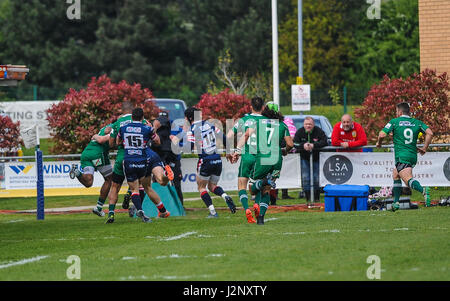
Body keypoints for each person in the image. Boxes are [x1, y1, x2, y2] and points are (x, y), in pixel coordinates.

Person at [106, 102, 171, 224]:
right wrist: (152, 130)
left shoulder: (122, 127)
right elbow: (157, 141)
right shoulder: (146, 127)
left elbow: (117, 142)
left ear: (132, 117)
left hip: (128, 159)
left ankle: (137, 209)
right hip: (143, 160)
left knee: (131, 188)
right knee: (146, 186)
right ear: (142, 117)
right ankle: (163, 180)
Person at [232, 102, 293, 225]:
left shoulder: (258, 123)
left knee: (252, 188)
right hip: (277, 159)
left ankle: (263, 182)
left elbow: (247, 135)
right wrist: (285, 151)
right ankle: (261, 219)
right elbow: (290, 144)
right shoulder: (282, 125)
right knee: (267, 190)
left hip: (263, 158)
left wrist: (237, 150)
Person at [376, 102, 433, 210]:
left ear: (400, 112)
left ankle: (423, 190)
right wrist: (424, 148)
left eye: (396, 111)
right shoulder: (417, 122)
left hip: (402, 156)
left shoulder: (394, 122)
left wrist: (379, 143)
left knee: (407, 180)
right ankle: (396, 202)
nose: (396, 113)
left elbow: (382, 134)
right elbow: (430, 133)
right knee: (395, 174)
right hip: (412, 156)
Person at [183, 107, 236, 218]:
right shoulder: (209, 125)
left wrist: (183, 136)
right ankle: (225, 196)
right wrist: (227, 152)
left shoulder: (191, 129)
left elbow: (189, 148)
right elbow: (224, 137)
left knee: (201, 187)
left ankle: (213, 212)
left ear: (189, 118)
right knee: (212, 186)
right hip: (217, 159)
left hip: (205, 160)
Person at [226, 96, 266, 223]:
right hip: (261, 158)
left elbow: (229, 135)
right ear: (263, 107)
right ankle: (257, 205)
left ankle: (246, 210)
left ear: (251, 107)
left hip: (248, 156)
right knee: (258, 185)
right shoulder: (267, 121)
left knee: (241, 185)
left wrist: (231, 152)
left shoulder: (245, 120)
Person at [69, 122, 114, 217]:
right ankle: (98, 207)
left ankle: (77, 172)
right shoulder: (118, 127)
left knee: (88, 182)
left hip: (86, 154)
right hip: (98, 154)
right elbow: (103, 139)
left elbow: (106, 131)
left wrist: (95, 135)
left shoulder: (107, 127)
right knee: (109, 179)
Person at [293, 116, 328, 203]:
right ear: (303, 125)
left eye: (310, 124)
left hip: (316, 158)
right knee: (305, 177)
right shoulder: (300, 131)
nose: (308, 126)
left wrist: (314, 145)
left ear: (313, 125)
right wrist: (303, 145)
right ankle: (308, 198)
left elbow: (325, 141)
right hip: (304, 158)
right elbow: (295, 143)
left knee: (316, 178)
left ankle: (316, 197)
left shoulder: (319, 131)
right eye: (306, 124)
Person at [152, 111, 184, 205]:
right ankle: (161, 205)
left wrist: (176, 141)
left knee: (176, 183)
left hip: (174, 159)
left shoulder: (176, 128)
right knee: (158, 182)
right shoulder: (155, 128)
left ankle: (179, 205)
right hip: (160, 158)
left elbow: (186, 142)